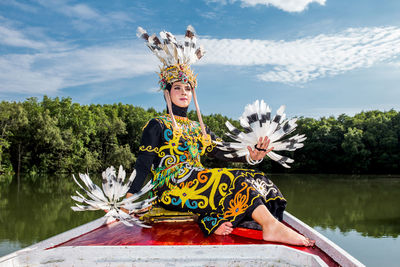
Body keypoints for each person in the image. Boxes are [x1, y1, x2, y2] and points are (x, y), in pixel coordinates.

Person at [127, 26, 314, 246]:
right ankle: (269, 227)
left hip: (199, 181)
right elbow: (143, 165)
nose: (184, 93)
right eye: (178, 88)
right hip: (171, 188)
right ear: (167, 92)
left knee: (254, 178)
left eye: (188, 88)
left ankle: (247, 222)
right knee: (229, 179)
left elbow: (224, 152)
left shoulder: (200, 129)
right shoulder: (156, 125)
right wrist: (128, 199)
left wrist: (252, 155)